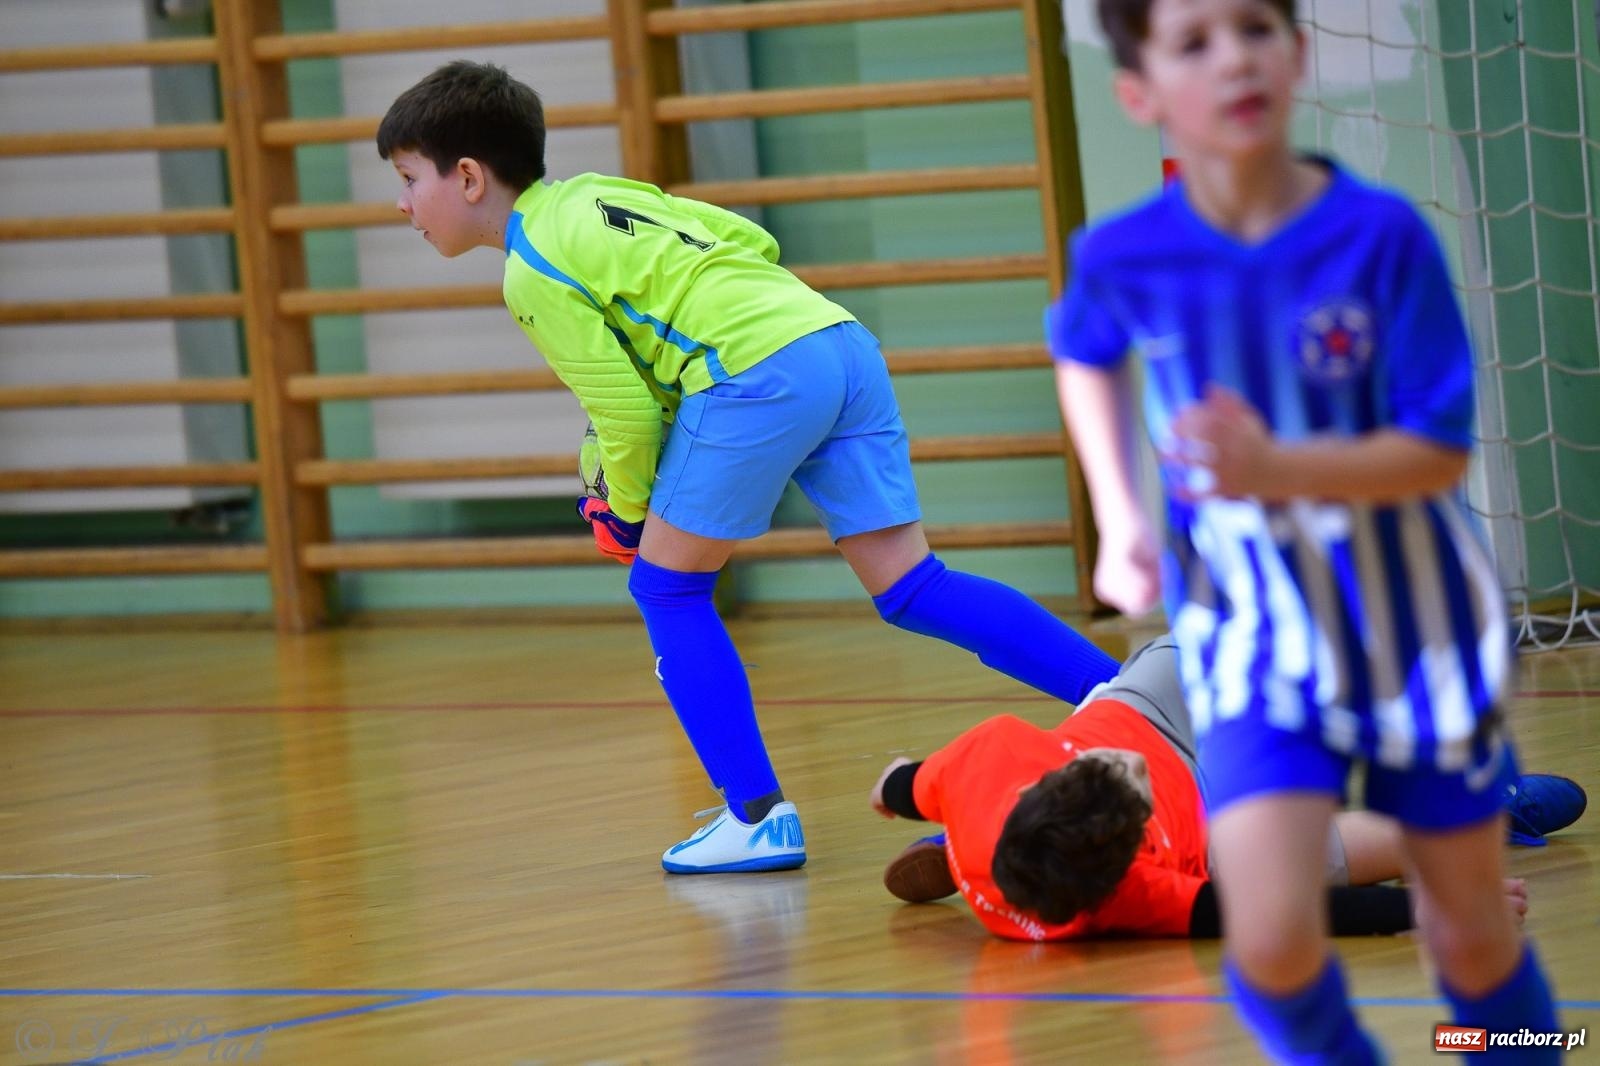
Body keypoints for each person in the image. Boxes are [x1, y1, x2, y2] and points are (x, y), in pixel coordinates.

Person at [376, 60, 1121, 874]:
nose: (403, 204)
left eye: (409, 179)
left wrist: (625, 513)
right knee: (912, 585)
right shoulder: (598, 194)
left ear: (469, 177)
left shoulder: (530, 270)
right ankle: (1141, 700)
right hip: (832, 338)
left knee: (667, 587)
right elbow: (751, 243)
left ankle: (757, 817)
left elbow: (627, 416)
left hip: (754, 373)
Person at [1050, 0, 1562, 1059]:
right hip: (1249, 649)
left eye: (1255, 29)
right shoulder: (1124, 254)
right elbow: (1084, 351)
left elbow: (1436, 453)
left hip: (1413, 632)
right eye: (1194, 43)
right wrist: (1119, 516)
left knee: (1469, 935)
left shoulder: (1381, 236)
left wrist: (1273, 468)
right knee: (1272, 945)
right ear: (1138, 92)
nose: (1234, 58)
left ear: (1298, 51)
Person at [869, 636, 1581, 942]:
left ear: (1049, 778)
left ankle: (953, 848)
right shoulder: (1130, 896)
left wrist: (894, 786)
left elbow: (895, 782)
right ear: (1126, 857)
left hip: (1148, 709)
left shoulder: (988, 754)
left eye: (1107, 766)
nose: (1135, 766)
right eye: (1138, 791)